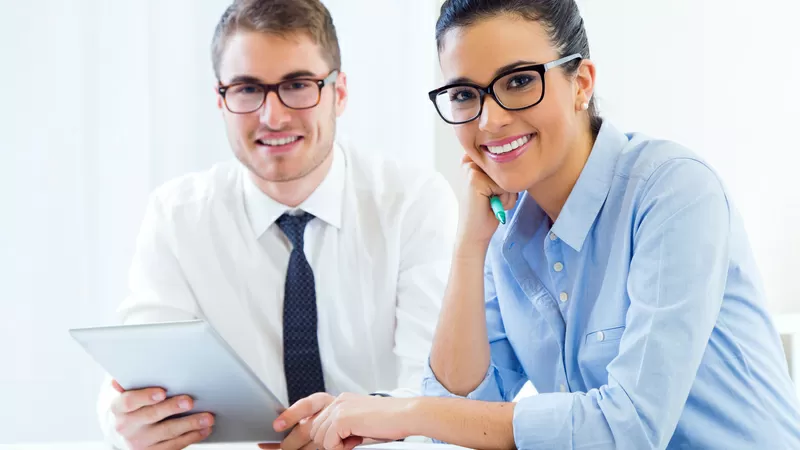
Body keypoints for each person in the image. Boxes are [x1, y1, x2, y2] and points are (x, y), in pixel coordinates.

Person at [304, 0, 800, 449]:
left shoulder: (674, 193)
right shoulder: (507, 231)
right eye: (463, 94)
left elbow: (628, 428)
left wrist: (408, 414)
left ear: (581, 82)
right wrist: (469, 245)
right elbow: (460, 408)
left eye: (518, 81)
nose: (490, 120)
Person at [95, 0, 458, 449]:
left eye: (298, 85)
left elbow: (436, 396)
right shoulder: (177, 216)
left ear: (339, 92)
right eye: (247, 89)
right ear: (221, 100)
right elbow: (137, 375)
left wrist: (351, 432)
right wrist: (127, 424)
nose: (273, 116)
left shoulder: (413, 203)